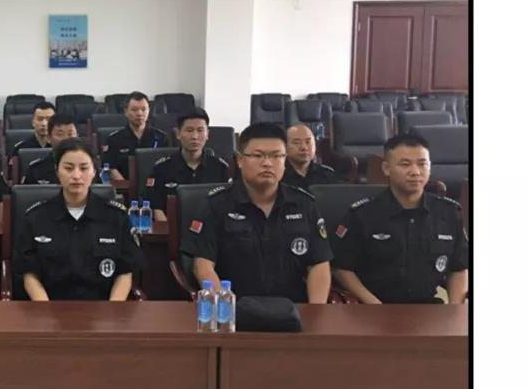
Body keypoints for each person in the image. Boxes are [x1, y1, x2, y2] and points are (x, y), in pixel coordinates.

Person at [181, 122, 332, 303]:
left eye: (276, 156)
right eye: (258, 155)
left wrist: (315, 311)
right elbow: (203, 265)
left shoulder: (305, 204)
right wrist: (223, 305)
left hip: (293, 310)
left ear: (285, 160)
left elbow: (319, 264)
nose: (267, 163)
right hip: (236, 309)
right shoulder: (216, 204)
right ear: (240, 160)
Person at [331, 134, 468, 304]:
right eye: (405, 164)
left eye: (422, 164)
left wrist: (455, 308)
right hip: (375, 307)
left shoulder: (448, 213)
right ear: (386, 168)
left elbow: (458, 268)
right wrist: (373, 304)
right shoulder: (363, 215)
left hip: (429, 307)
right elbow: (341, 268)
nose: (415, 172)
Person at [16, 138, 143, 300]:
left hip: (102, 308)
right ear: (57, 171)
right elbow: (30, 275)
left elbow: (125, 273)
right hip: (50, 307)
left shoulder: (116, 217)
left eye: (84, 168)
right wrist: (46, 310)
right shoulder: (36, 218)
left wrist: (113, 310)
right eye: (68, 168)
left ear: (94, 171)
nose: (76, 175)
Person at [149, 108, 231, 221]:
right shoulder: (162, 168)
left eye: (200, 130)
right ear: (178, 134)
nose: (195, 136)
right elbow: (156, 207)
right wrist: (169, 229)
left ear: (207, 134)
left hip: (212, 229)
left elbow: (228, 206)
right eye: (189, 130)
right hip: (173, 227)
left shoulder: (220, 168)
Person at [103, 91, 169, 181]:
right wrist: (126, 186)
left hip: (156, 185)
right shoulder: (114, 139)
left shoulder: (161, 137)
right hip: (124, 186)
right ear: (126, 112)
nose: (140, 113)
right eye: (134, 110)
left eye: (144, 109)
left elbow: (167, 165)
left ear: (149, 111)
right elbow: (110, 167)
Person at [21, 113, 80, 184]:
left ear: (77, 137)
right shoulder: (36, 169)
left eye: (70, 134)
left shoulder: (87, 167)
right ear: (48, 138)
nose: (66, 139)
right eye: (60, 134)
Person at [281, 123, 340, 191]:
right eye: (296, 143)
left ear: (315, 146)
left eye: (308, 142)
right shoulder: (278, 176)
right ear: (284, 147)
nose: (304, 147)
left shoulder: (328, 175)